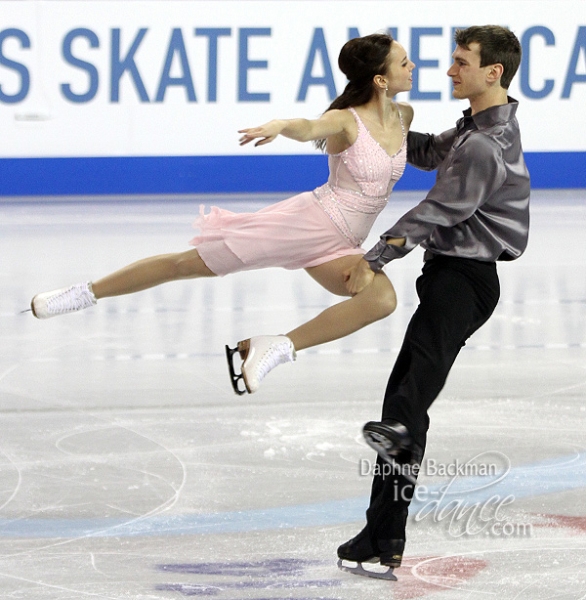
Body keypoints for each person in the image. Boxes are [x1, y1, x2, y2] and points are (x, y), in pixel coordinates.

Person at [29, 33, 416, 395]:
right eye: (403, 62)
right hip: (307, 224)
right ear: (381, 80)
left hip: (342, 243)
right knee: (185, 265)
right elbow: (309, 126)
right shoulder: (347, 119)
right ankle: (83, 294)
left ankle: (276, 346)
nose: (411, 66)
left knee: (380, 300)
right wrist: (281, 125)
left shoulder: (405, 116)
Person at [336, 25, 530, 580]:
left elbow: (436, 211)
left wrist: (373, 258)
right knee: (403, 409)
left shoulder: (484, 145)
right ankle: (382, 534)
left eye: (462, 63)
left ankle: (384, 530)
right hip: (452, 278)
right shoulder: (474, 128)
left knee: (404, 410)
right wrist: (381, 114)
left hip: (464, 283)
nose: (449, 71)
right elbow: (422, 152)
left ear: (493, 72)